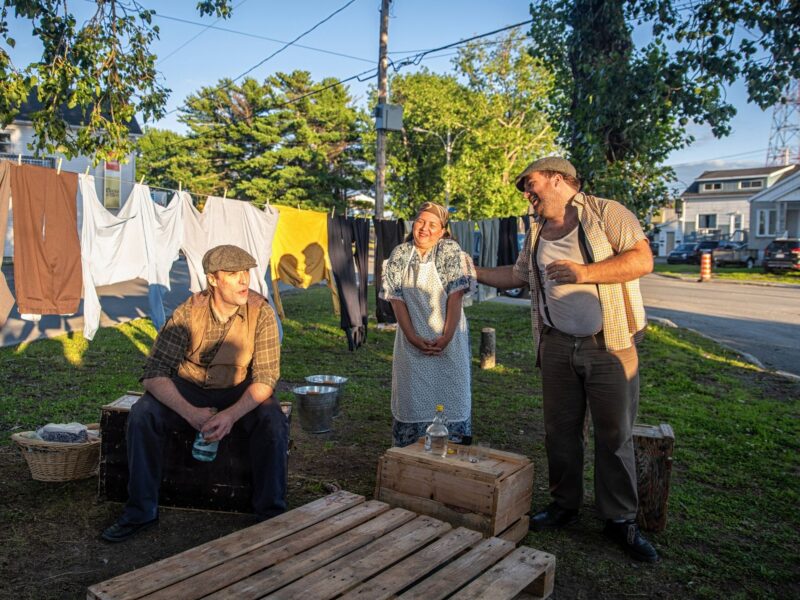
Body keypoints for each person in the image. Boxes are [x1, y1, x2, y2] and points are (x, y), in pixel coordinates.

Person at [475, 157, 659, 563]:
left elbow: (642, 260)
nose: (528, 193)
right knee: (559, 430)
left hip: (609, 343)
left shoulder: (607, 212)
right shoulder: (537, 227)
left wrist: (584, 272)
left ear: (558, 180)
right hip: (556, 342)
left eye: (532, 183)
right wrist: (474, 271)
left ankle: (619, 519)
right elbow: (521, 275)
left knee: (614, 434)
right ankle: (565, 505)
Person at [101, 244, 287, 542]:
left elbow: (266, 377)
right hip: (190, 391)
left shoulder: (261, 312)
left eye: (246, 273)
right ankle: (140, 511)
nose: (244, 281)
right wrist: (191, 413)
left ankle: (270, 515)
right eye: (233, 274)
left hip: (238, 390)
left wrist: (230, 415)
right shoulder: (187, 313)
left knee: (273, 420)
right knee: (142, 415)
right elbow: (154, 373)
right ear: (213, 279)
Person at [380, 201, 476, 447]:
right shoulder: (401, 254)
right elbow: (396, 300)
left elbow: (456, 297)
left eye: (432, 224)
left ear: (443, 230)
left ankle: (450, 461)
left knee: (452, 399)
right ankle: (410, 458)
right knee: (411, 401)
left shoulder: (450, 251)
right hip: (411, 345)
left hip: (449, 342)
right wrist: (413, 337)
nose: (424, 228)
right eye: (420, 222)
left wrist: (445, 337)